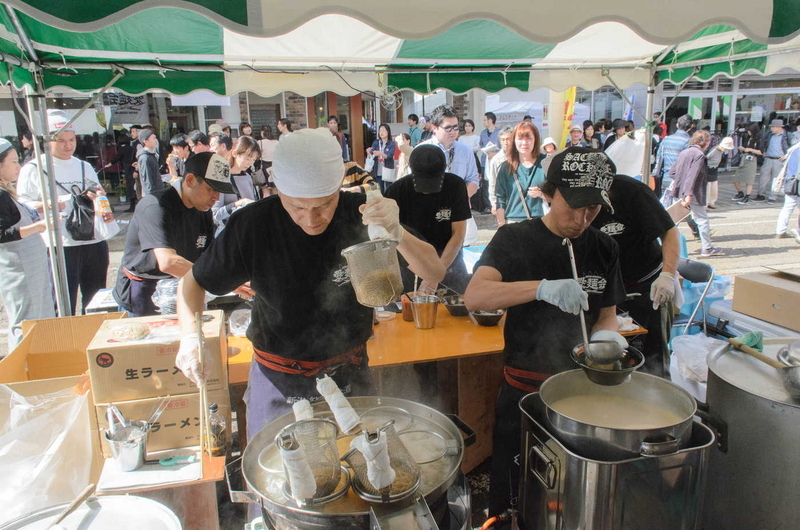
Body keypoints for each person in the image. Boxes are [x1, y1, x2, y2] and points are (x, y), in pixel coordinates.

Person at [173, 128, 445, 440]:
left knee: (361, 468)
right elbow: (192, 284)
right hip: (279, 379)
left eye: (323, 205)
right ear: (278, 191)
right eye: (298, 207)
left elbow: (433, 270)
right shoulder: (253, 225)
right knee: (283, 476)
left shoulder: (360, 213)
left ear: (337, 190)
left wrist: (396, 230)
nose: (311, 218)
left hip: (349, 374)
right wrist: (190, 339)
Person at [464, 146, 626, 521]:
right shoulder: (514, 239)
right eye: (575, 205)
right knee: (514, 491)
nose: (584, 217)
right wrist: (540, 288)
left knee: (570, 497)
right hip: (524, 394)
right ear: (549, 193)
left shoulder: (605, 247)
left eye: (594, 208)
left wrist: (606, 339)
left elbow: (607, 316)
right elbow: (475, 296)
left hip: (581, 392)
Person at [113, 153, 232, 317]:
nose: (216, 197)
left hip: (184, 284)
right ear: (190, 180)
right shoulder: (155, 206)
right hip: (145, 288)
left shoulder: (202, 210)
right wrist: (219, 282)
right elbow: (168, 262)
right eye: (211, 189)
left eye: (220, 192)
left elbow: (208, 256)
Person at [17, 110, 110, 315]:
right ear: (47, 141)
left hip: (93, 239)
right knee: (63, 300)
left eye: (71, 139)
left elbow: (99, 193)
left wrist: (97, 196)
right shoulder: (34, 168)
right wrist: (50, 204)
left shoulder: (83, 165)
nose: (68, 145)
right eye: (61, 141)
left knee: (96, 299)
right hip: (59, 243)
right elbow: (22, 205)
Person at [592, 173, 679, 377]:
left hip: (646, 288)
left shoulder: (632, 191)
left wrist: (667, 275)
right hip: (604, 293)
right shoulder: (571, 200)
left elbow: (669, 232)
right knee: (607, 359)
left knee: (651, 359)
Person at [386, 144, 472, 293]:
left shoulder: (455, 185)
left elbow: (458, 235)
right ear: (410, 167)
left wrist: (434, 275)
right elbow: (392, 239)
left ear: (445, 167)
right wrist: (425, 273)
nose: (427, 191)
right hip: (411, 266)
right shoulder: (396, 191)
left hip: (449, 263)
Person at [0, 138, 54, 349]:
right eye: (13, 162)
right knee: (26, 322)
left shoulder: (6, 193)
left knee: (37, 318)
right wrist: (39, 227)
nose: (18, 166)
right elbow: (2, 233)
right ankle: (21, 372)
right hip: (19, 271)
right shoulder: (1, 195)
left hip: (29, 268)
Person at [670, 130, 723, 257]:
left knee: (674, 220)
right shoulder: (699, 155)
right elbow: (692, 176)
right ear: (706, 142)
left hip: (678, 190)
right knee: (702, 219)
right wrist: (688, 194)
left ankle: (668, 246)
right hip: (693, 193)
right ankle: (707, 248)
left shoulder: (684, 152)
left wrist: (680, 184)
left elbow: (672, 172)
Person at [420, 105, 479, 198]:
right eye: (448, 128)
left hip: (458, 206)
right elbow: (415, 182)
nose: (453, 132)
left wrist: (459, 199)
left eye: (455, 127)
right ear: (434, 128)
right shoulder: (422, 151)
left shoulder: (466, 150)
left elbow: (473, 180)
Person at [495, 121, 546, 225]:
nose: (524, 143)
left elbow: (556, 195)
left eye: (529, 138)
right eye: (520, 138)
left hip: (541, 222)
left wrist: (541, 194)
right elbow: (500, 199)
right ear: (514, 140)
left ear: (536, 140)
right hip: (513, 222)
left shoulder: (546, 164)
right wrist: (502, 226)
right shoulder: (506, 167)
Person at [213, 136, 261, 231]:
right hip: (229, 232)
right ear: (235, 153)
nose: (250, 163)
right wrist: (238, 204)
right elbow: (215, 215)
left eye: (253, 160)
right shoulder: (221, 177)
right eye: (248, 158)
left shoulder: (247, 176)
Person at [653, 114, 692, 198]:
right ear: (691, 127)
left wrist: (655, 174)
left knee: (664, 204)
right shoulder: (688, 142)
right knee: (678, 207)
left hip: (666, 177)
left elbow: (659, 158)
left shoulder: (666, 139)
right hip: (681, 180)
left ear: (677, 125)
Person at [756, 119, 790, 204]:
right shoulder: (769, 135)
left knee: (776, 179)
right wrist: (763, 151)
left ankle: (773, 196)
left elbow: (792, 147)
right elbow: (763, 143)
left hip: (779, 159)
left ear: (779, 127)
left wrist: (786, 155)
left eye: (773, 127)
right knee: (763, 178)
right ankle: (761, 195)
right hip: (768, 158)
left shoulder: (787, 136)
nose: (772, 128)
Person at [486, 127, 514, 216]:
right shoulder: (496, 159)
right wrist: (494, 203)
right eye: (502, 139)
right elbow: (492, 182)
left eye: (508, 139)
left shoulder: (520, 157)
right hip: (502, 199)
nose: (505, 142)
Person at [733, 123, 763, 205]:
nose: (748, 132)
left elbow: (760, 152)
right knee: (736, 179)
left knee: (749, 180)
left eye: (750, 131)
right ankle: (740, 193)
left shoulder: (758, 140)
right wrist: (742, 149)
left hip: (752, 159)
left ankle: (747, 196)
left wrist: (749, 149)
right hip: (744, 158)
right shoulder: (747, 137)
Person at [775, 142, 800, 241]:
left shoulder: (793, 149)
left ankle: (780, 231)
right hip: (797, 182)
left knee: (787, 207)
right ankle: (798, 230)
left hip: (789, 180)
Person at [367, 123, 397, 193]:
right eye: (380, 131)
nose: (381, 132)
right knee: (379, 188)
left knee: (389, 188)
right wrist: (369, 152)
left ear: (388, 132)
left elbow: (389, 155)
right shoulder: (376, 142)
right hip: (378, 169)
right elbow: (372, 153)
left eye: (384, 130)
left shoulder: (391, 143)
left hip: (387, 167)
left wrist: (381, 154)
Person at [706, 136, 734, 209]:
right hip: (708, 168)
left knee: (714, 186)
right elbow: (705, 158)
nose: (725, 150)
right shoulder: (713, 150)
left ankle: (711, 202)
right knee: (708, 186)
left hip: (715, 168)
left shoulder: (721, 151)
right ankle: (706, 203)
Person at [136, 129, 163, 196]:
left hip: (157, 192)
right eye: (153, 138)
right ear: (145, 141)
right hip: (152, 195)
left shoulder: (151, 155)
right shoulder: (145, 158)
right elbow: (147, 181)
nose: (156, 140)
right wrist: (150, 198)